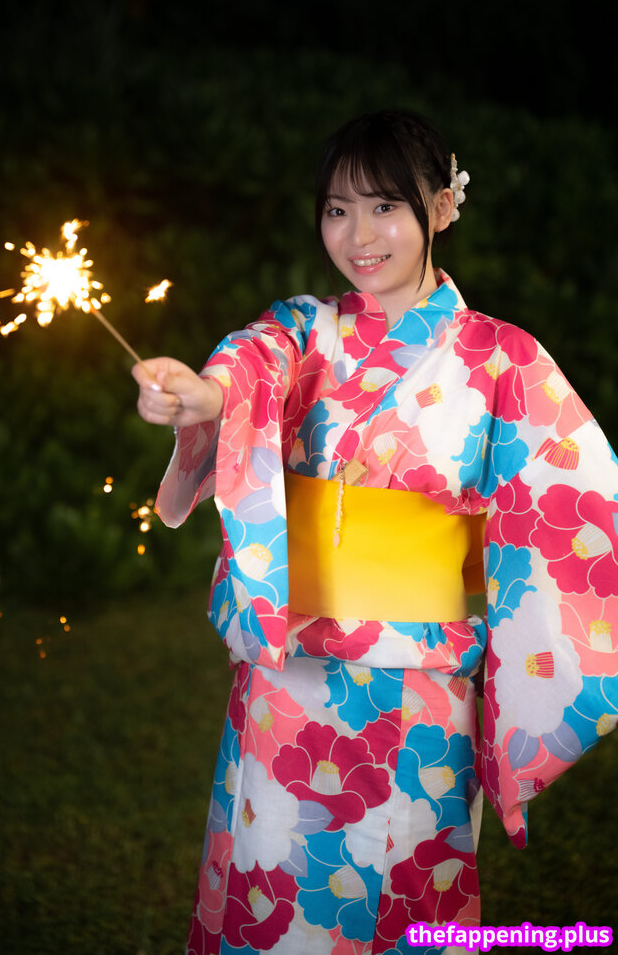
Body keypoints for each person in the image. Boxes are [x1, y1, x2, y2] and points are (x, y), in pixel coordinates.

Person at [133, 110, 618, 954]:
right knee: (273, 878)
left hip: (420, 677)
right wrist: (205, 396)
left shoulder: (502, 359)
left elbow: (574, 502)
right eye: (337, 210)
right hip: (292, 670)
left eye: (385, 206)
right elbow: (252, 363)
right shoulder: (304, 330)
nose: (358, 236)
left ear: (441, 207)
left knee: (405, 896)